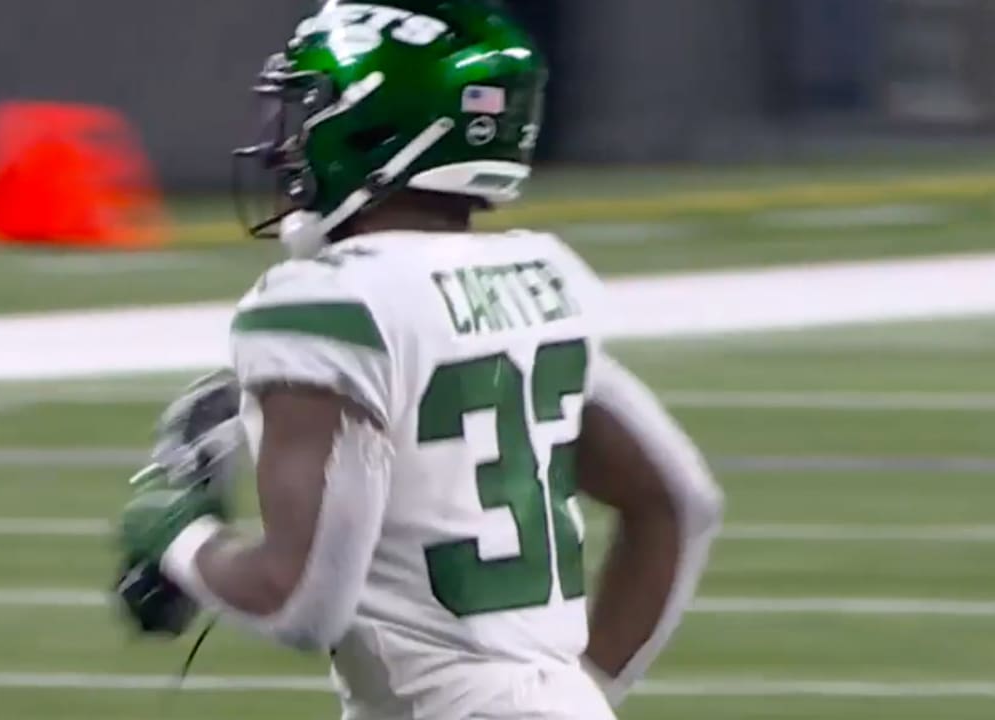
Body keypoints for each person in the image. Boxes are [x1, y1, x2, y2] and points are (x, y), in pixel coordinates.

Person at [115, 2, 724, 718]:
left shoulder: (329, 304)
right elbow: (679, 502)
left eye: (312, 109)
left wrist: (177, 536)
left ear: (378, 127)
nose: (289, 146)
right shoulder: (540, 276)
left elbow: (299, 600)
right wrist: (574, 695)